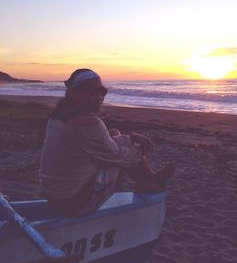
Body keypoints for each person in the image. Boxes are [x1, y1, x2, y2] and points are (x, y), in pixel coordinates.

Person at [39, 68, 175, 216]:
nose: (99, 97)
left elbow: (100, 143)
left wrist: (131, 138)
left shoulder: (58, 115)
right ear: (74, 93)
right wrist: (139, 149)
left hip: (53, 196)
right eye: (92, 92)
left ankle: (149, 180)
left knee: (114, 133)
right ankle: (149, 183)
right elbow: (120, 157)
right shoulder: (88, 123)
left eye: (102, 91)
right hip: (73, 203)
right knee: (123, 158)